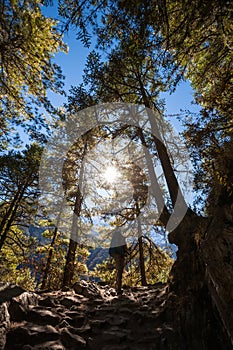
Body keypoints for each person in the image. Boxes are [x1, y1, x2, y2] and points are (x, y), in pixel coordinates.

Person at [109, 227, 128, 295]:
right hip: (120, 255)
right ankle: (119, 289)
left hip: (115, 254)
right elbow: (124, 247)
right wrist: (126, 252)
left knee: (118, 270)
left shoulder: (114, 237)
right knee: (120, 271)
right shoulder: (122, 237)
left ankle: (117, 287)